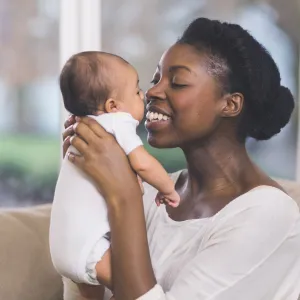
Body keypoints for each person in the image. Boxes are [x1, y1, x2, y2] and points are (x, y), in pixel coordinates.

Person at [62, 18, 300, 300]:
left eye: (177, 82)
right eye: (155, 79)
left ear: (230, 104)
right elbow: (85, 287)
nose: (152, 92)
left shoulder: (267, 215)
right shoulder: (150, 192)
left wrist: (122, 197)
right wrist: (85, 184)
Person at [49, 51, 180, 289]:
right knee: (130, 287)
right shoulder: (117, 122)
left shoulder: (84, 130)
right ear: (113, 105)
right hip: (92, 247)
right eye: (137, 91)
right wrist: (168, 188)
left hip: (62, 247)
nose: (145, 95)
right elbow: (142, 163)